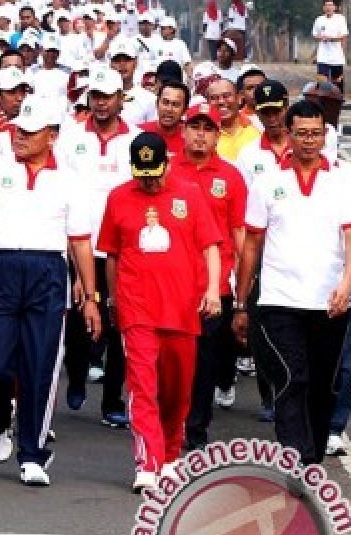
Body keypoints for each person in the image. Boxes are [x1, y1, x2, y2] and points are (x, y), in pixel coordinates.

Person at [0, 95, 101, 487]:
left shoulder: (69, 180)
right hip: (1, 271)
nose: (20, 137)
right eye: (18, 129)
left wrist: (90, 297)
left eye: (30, 131)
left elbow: (80, 242)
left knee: (40, 366)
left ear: (52, 136)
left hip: (48, 273)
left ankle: (33, 453)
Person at [233, 100, 351, 465]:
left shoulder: (345, 181)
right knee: (292, 377)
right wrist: (242, 302)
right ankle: (295, 458)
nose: (309, 141)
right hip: (278, 300)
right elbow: (252, 245)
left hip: (329, 302)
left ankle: (313, 456)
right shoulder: (268, 182)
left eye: (316, 134)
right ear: (289, 134)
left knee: (323, 386)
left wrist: (347, 285)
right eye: (302, 133)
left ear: (325, 135)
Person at [98, 132, 221, 492]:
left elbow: (211, 246)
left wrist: (213, 289)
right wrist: (113, 300)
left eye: (154, 171)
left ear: (167, 162)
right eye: (142, 173)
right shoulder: (119, 198)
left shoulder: (191, 195)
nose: (149, 180)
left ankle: (169, 455)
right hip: (138, 308)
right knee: (142, 386)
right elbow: (112, 255)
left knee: (177, 389)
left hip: (183, 308)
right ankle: (147, 464)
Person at [56, 67, 138, 427]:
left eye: (107, 96)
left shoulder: (134, 140)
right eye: (95, 97)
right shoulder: (71, 138)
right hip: (81, 245)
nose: (101, 103)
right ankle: (76, 376)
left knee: (121, 322)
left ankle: (112, 400)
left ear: (121, 98)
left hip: (124, 249)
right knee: (78, 320)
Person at [168, 105, 247, 450]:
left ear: (218, 135)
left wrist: (243, 288)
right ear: (183, 131)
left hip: (213, 288)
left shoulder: (230, 177)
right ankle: (167, 422)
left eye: (208, 129)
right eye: (194, 127)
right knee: (170, 361)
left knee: (204, 363)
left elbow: (239, 235)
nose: (200, 134)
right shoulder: (167, 169)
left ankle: (195, 428)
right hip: (171, 284)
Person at [313, 0, 349, 94]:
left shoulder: (340, 18)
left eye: (330, 5)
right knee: (322, 80)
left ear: (334, 7)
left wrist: (332, 38)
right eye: (326, 5)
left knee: (337, 81)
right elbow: (315, 35)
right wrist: (321, 37)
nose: (328, 7)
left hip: (336, 56)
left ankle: (338, 100)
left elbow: (344, 35)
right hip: (323, 56)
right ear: (323, 8)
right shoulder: (319, 20)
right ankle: (323, 100)